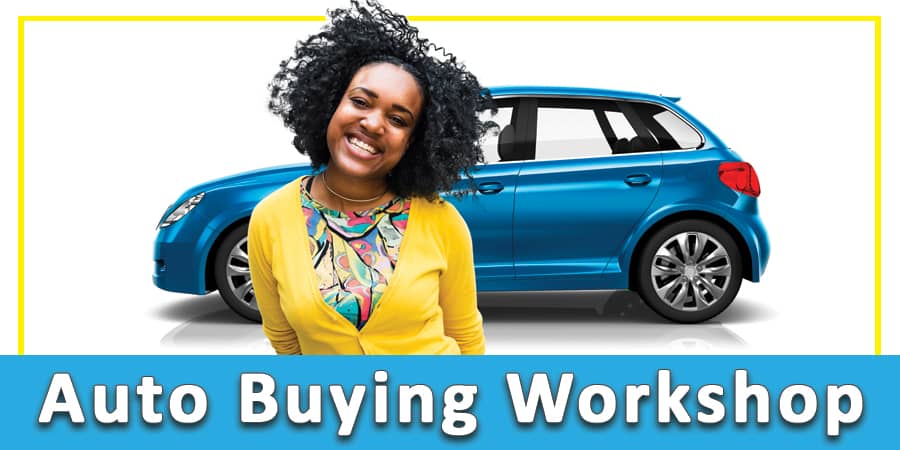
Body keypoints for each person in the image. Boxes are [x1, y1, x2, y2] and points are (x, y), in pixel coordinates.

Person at [248, 0, 494, 355]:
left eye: (398, 120)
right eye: (361, 102)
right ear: (332, 104)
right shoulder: (270, 218)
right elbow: (286, 343)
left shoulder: (442, 222)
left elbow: (467, 338)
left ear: (414, 141)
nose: (374, 123)